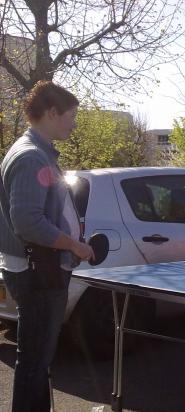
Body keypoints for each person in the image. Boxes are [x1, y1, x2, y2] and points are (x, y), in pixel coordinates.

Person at [0, 81, 94, 412]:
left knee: (36, 361)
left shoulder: (35, 152)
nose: (74, 124)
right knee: (35, 362)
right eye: (72, 116)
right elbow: (28, 222)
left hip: (39, 269)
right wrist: (74, 246)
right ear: (52, 112)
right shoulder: (31, 157)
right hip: (39, 272)